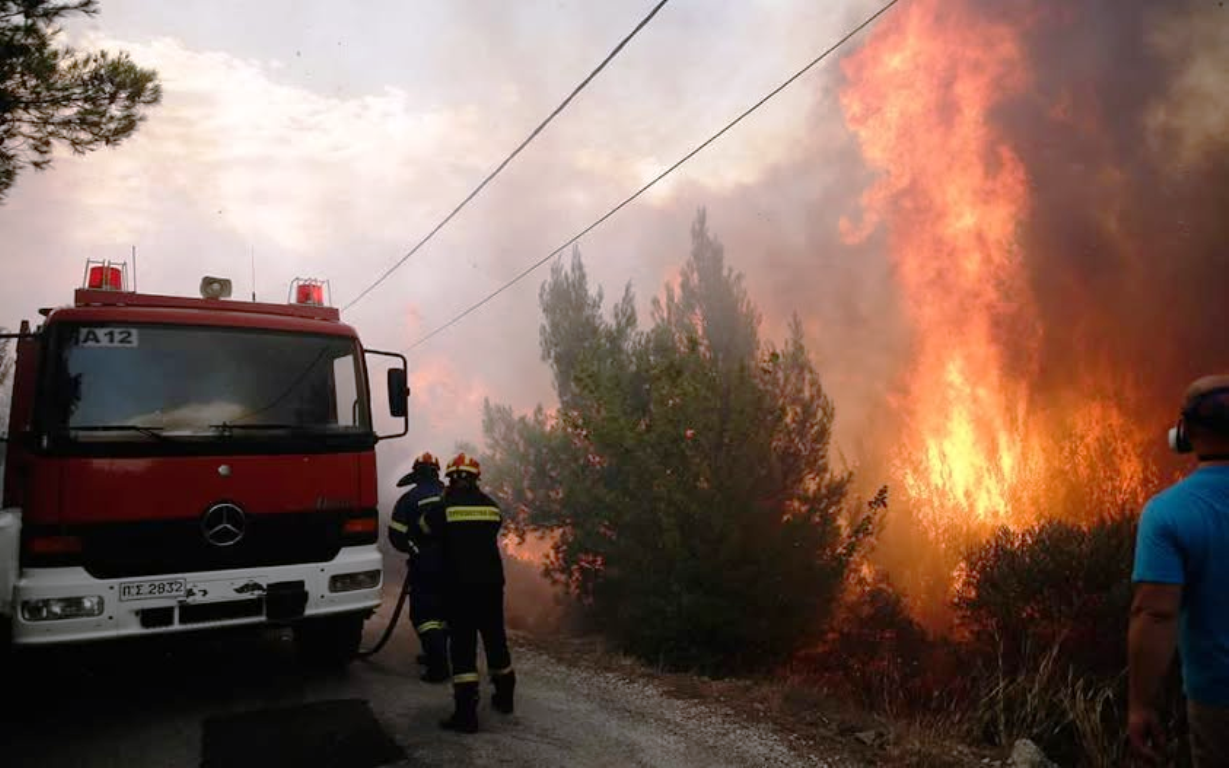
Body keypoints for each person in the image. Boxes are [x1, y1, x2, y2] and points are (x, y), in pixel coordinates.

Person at [1129, 375, 1229, 766]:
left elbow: (1155, 613)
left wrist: (1140, 705)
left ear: (1184, 433)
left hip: (1217, 702)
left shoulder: (1167, 512)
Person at [421, 452, 515, 734]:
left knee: (463, 648)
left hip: (459, 588)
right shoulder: (491, 507)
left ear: (450, 479)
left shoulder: (444, 508)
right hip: (490, 586)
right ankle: (505, 698)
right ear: (476, 480)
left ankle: (466, 716)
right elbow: (495, 525)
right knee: (495, 639)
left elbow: (424, 528)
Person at [388, 451, 450, 683]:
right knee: (444, 613)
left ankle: (438, 666)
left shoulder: (409, 499)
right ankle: (437, 653)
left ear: (416, 474)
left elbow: (396, 536)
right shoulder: (450, 495)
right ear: (437, 473)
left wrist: (414, 550)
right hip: (453, 565)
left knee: (424, 615)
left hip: (424, 566)